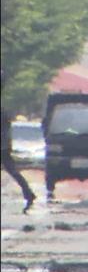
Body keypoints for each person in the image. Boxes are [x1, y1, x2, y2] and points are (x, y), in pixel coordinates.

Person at [1, 71, 36, 213]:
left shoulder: (2, 113)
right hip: (4, 146)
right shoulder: (3, 112)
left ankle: (28, 193)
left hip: (2, 146)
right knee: (12, 170)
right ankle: (28, 193)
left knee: (12, 170)